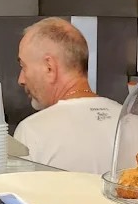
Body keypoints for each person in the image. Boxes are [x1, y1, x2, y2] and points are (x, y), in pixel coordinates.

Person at [13, 18, 125, 174]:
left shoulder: (33, 132)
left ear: (49, 68)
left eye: (23, 67)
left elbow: (19, 196)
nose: (21, 80)